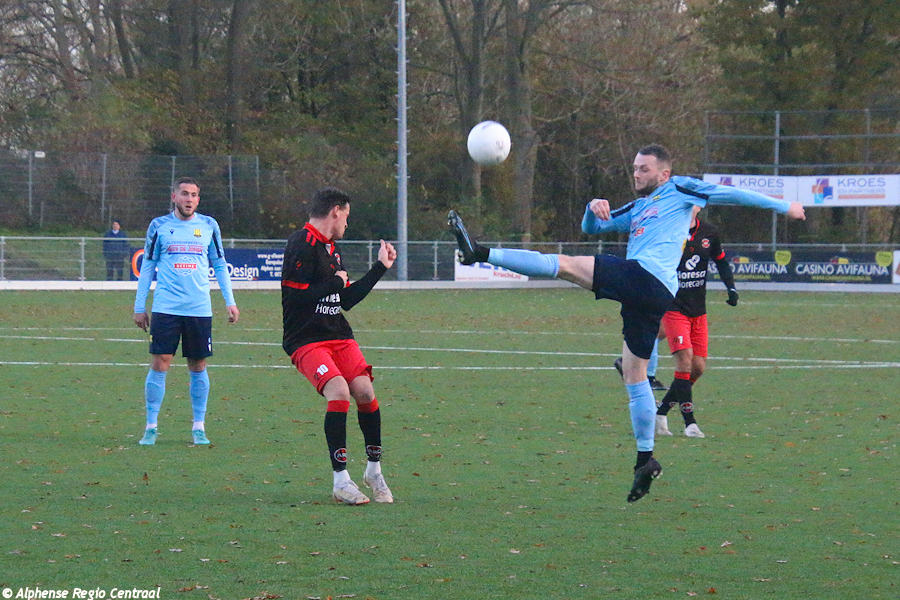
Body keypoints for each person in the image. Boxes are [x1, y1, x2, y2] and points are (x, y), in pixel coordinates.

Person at [448, 144, 805, 503]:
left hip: (647, 278)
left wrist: (784, 206)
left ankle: (480, 252)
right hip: (649, 296)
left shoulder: (680, 188)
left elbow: (732, 194)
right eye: (635, 168)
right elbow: (591, 227)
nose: (636, 173)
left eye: (644, 168)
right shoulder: (638, 208)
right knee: (635, 377)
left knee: (565, 265)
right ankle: (644, 460)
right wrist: (592, 208)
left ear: (664, 173)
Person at [281, 187, 398, 505]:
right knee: (339, 391)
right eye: (346, 215)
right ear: (336, 211)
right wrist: (333, 282)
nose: (347, 221)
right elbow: (295, 298)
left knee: (365, 392)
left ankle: (374, 471)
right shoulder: (301, 243)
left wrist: (380, 268)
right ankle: (341, 481)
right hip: (306, 338)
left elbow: (345, 299)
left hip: (338, 335)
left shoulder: (332, 248)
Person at [133, 177, 240, 446]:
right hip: (166, 307)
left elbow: (219, 263)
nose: (189, 199)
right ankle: (151, 426)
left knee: (198, 364)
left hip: (199, 308)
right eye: (184, 194)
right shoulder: (159, 226)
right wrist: (139, 306)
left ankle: (199, 427)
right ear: (174, 197)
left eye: (193, 194)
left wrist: (230, 301)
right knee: (160, 362)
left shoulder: (209, 225)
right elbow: (148, 265)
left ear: (198, 199)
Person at [655, 204, 738, 439]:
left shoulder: (709, 232)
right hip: (673, 307)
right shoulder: (669, 231)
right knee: (684, 360)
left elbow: (721, 261)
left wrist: (731, 288)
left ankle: (661, 412)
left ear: (698, 206)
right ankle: (690, 423)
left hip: (698, 310)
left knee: (698, 367)